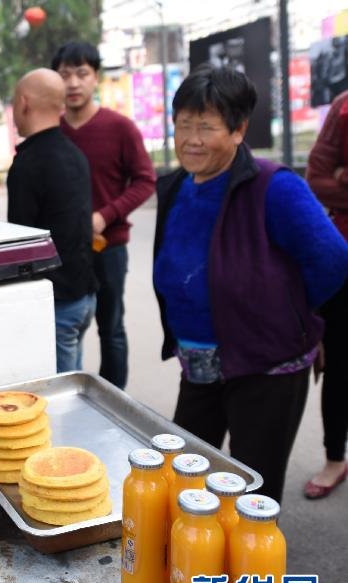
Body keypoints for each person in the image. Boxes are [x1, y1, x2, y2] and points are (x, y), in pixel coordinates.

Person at [153, 66, 348, 503]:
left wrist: (291, 314)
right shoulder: (177, 187)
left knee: (252, 494)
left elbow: (332, 260)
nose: (192, 139)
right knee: (184, 481)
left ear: (239, 129)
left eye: (206, 127)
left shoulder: (273, 187)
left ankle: (249, 553)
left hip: (265, 367)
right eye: (183, 124)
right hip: (198, 365)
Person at [51, 41, 156, 389]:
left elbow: (145, 180)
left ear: (95, 77)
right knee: (65, 328)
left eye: (81, 73)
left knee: (111, 328)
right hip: (64, 253)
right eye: (65, 75)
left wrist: (106, 215)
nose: (73, 83)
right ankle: (71, 396)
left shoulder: (120, 127)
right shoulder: (52, 132)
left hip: (108, 247)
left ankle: (114, 401)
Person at [7, 68, 98, 372]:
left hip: (55, 304)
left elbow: (21, 245)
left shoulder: (28, 164)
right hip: (84, 297)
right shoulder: (75, 154)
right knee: (74, 383)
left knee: (58, 394)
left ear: (24, 103)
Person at [304, 89, 348, 499]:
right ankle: (335, 457)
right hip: (343, 260)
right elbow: (316, 179)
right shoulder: (343, 107)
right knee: (338, 366)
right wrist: (334, 179)